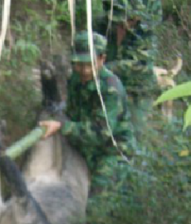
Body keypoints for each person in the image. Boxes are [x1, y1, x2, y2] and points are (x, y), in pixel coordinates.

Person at [39, 31, 136, 188]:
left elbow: (101, 133)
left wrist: (63, 127)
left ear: (102, 59)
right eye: (79, 64)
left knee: (95, 201)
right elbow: (72, 111)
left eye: (89, 64)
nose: (84, 70)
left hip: (111, 152)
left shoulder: (111, 89)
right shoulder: (76, 80)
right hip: (85, 145)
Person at [97, 0, 163, 134]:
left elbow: (140, 65)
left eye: (130, 19)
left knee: (130, 136)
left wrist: (103, 68)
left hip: (136, 91)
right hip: (104, 86)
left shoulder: (145, 32)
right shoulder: (100, 24)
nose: (125, 24)